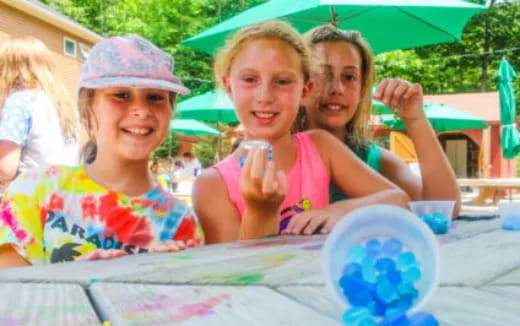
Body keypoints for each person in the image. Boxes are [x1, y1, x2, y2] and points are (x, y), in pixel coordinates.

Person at [193, 21, 409, 244]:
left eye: (283, 81)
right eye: (250, 80)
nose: (265, 96)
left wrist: (340, 211)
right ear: (229, 87)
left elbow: (398, 199)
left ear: (305, 91)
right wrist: (261, 212)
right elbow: (231, 274)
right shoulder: (213, 185)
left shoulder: (320, 147)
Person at [0, 35, 204, 269]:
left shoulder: (180, 223)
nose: (141, 109)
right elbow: (8, 292)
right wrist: (77, 278)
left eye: (156, 97)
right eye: (121, 95)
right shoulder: (33, 190)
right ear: (86, 109)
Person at [300, 26, 461, 217]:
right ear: (301, 82)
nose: (337, 89)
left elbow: (443, 210)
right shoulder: (277, 152)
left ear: (363, 87)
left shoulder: (375, 160)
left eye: (349, 77)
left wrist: (415, 120)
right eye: (323, 74)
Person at [0, 36, 79, 190]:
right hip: (64, 196)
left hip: (27, 199)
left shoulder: (19, 102)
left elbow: (5, 168)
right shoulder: (67, 105)